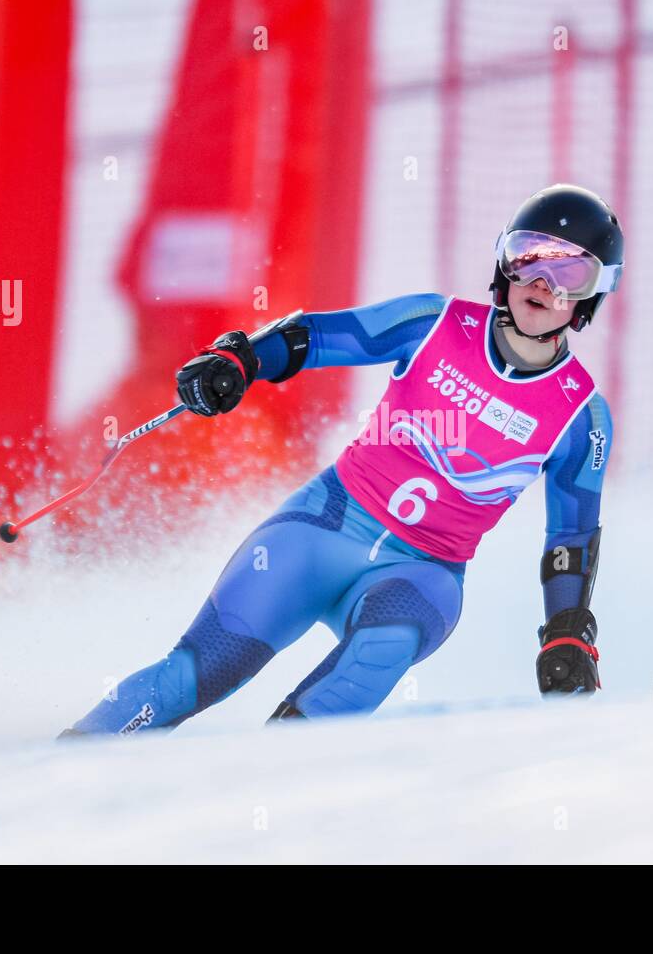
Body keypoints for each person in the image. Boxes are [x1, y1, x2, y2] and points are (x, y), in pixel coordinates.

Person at [62, 183, 621, 736]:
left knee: (376, 655)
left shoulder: (581, 416)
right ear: (504, 263)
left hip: (421, 575)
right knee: (194, 675)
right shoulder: (433, 323)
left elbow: (571, 538)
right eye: (528, 259)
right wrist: (239, 359)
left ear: (591, 297)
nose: (543, 284)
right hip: (321, 529)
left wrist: (568, 632)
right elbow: (319, 337)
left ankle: (254, 803)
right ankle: (62, 769)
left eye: (572, 274)